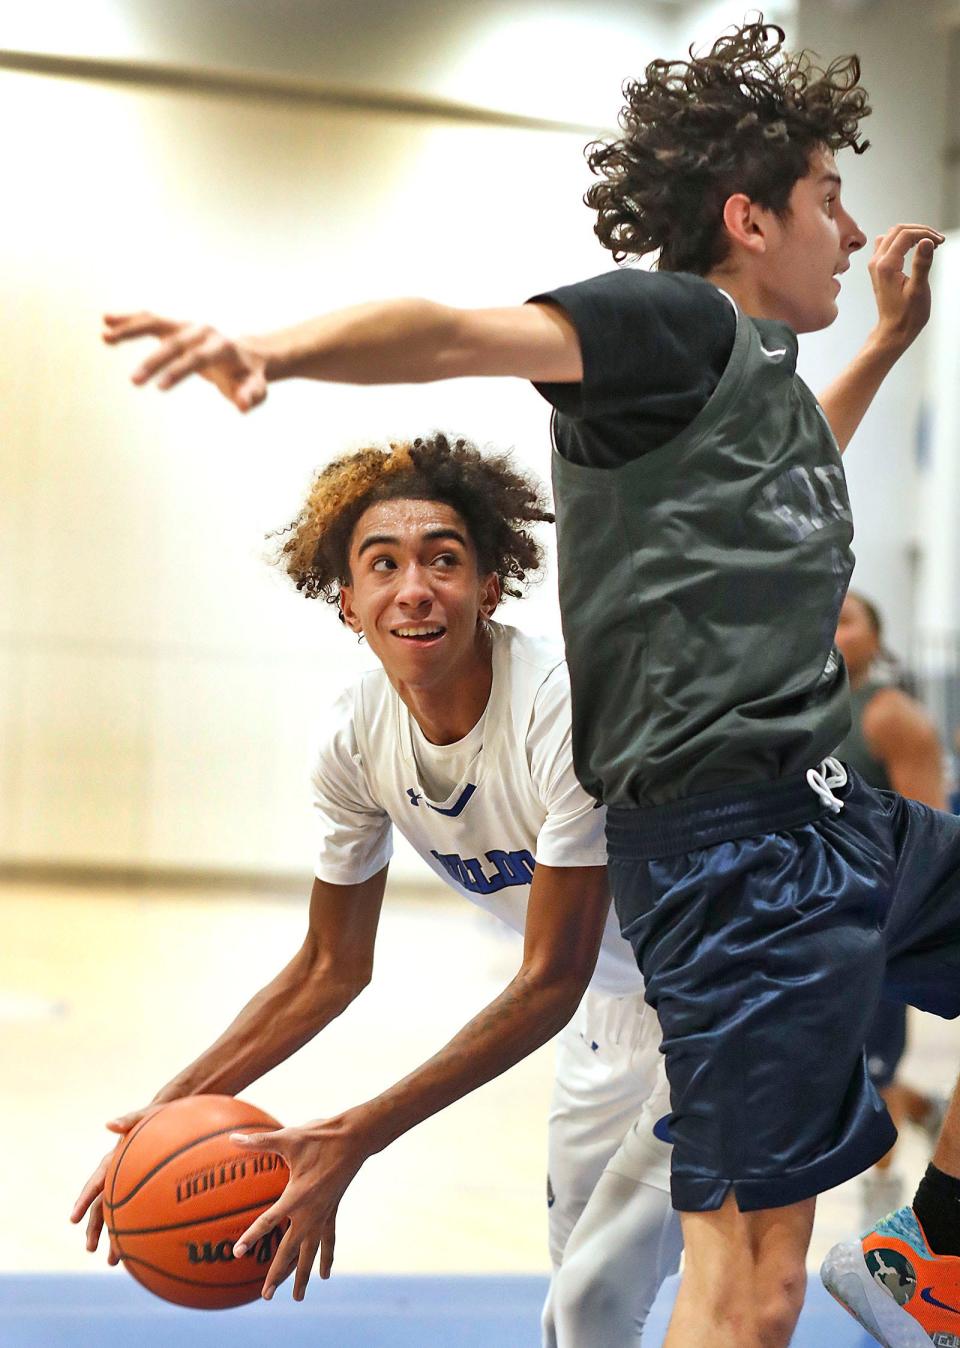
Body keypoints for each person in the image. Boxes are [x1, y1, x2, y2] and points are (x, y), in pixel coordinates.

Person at [98, 21, 955, 1347]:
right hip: (736, 853)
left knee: (739, 1267)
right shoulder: (668, 321)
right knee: (749, 1277)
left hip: (833, 815)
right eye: (829, 200)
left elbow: (791, 480)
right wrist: (269, 347)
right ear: (749, 216)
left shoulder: (755, 380)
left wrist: (891, 344)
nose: (851, 233)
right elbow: (452, 330)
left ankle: (931, 1264)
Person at [72, 434, 682, 1345]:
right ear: (348, 602)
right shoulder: (357, 737)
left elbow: (547, 977)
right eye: (383, 564)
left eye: (444, 559)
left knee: (611, 1292)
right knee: (576, 1307)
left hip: (723, 1001)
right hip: (610, 1015)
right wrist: (165, 1115)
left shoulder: (564, 709)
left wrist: (356, 1132)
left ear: (490, 586)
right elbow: (329, 965)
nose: (415, 587)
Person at [834, 591, 949, 1223]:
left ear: (877, 641)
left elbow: (931, 838)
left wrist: (896, 931)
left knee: (867, 1079)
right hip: (807, 926)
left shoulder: (888, 717)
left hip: (873, 927)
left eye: (846, 621)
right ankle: (924, 1107)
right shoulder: (790, 713)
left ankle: (878, 1223)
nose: (830, 631)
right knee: (826, 1074)